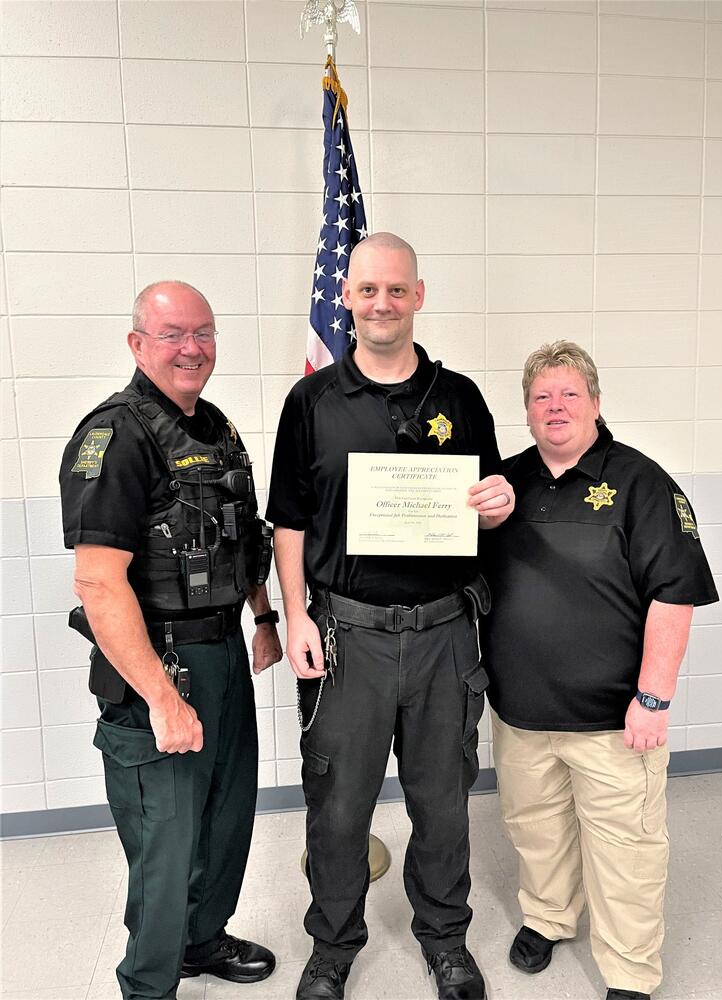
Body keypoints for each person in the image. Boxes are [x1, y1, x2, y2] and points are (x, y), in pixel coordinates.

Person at [266, 232, 515, 1000]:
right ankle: (334, 946)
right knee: (338, 807)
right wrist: (296, 617)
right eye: (368, 289)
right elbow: (289, 524)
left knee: (443, 804)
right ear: (348, 297)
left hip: (444, 635)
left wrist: (500, 502)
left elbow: (489, 502)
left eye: (396, 289)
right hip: (348, 638)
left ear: (418, 295)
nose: (381, 303)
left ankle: (444, 940)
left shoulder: (460, 398)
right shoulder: (311, 402)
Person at [59, 281, 282, 1000]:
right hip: (159, 665)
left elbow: (238, 536)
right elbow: (97, 583)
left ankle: (201, 938)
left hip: (222, 653)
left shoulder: (216, 427)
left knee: (225, 814)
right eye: (172, 334)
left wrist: (265, 617)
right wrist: (161, 695)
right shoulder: (115, 436)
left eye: (204, 333)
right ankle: (148, 984)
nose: (192, 348)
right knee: (165, 841)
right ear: (137, 344)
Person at [480, 341, 719, 1000]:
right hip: (521, 714)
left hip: (614, 721)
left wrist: (654, 698)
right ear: (526, 411)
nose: (555, 407)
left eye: (569, 394)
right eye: (541, 397)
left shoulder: (642, 483)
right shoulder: (504, 485)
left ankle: (630, 972)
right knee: (536, 830)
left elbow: (674, 596)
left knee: (627, 855)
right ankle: (549, 918)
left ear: (595, 402)